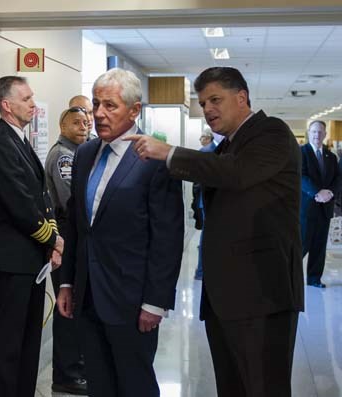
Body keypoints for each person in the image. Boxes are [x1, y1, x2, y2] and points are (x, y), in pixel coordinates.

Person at [125, 66, 304, 397]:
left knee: (264, 386)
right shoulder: (226, 147)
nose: (207, 109)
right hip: (227, 297)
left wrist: (169, 153)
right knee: (232, 385)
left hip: (263, 293)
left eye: (215, 100)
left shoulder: (272, 133)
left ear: (242, 97)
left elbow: (235, 173)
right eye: (203, 102)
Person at [57, 68, 184, 397]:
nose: (98, 114)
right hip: (88, 296)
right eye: (95, 104)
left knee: (135, 383)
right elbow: (77, 225)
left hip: (131, 300)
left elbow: (167, 239)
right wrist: (68, 281)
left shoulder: (155, 158)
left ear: (134, 110)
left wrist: (155, 303)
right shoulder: (85, 154)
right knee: (100, 383)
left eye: (109, 106)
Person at [0, 76, 64, 397]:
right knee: (8, 340)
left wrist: (51, 241)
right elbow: (21, 206)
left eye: (32, 97)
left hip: (32, 257)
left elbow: (43, 197)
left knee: (29, 337)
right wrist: (53, 240)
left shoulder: (19, 139)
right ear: (7, 105)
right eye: (26, 99)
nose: (33, 103)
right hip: (15, 257)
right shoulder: (0, 145)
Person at [44, 106, 89, 395]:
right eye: (76, 122)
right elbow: (71, 199)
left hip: (74, 235)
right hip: (65, 234)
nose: (83, 126)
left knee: (74, 305)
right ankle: (66, 374)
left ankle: (77, 366)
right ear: (62, 125)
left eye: (86, 122)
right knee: (66, 306)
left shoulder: (78, 153)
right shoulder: (64, 156)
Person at [300, 120, 341, 288]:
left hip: (325, 208)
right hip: (307, 208)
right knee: (302, 245)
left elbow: (338, 178)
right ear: (309, 133)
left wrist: (330, 192)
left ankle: (314, 278)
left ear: (325, 134)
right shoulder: (301, 152)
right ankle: (288, 278)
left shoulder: (330, 156)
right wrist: (316, 192)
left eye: (320, 132)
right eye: (314, 131)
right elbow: (300, 176)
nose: (317, 135)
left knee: (319, 246)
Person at [192, 128, 217, 280]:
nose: (201, 139)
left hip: (208, 200)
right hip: (207, 200)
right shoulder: (206, 152)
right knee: (207, 236)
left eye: (203, 136)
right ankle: (201, 271)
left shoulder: (208, 151)